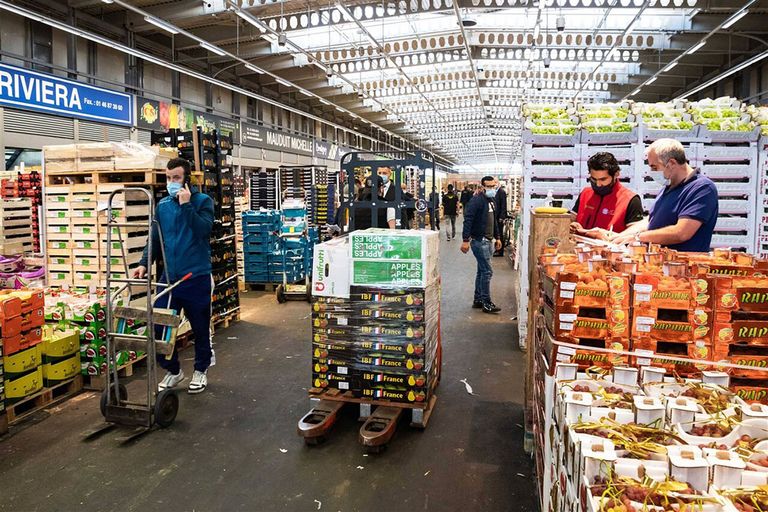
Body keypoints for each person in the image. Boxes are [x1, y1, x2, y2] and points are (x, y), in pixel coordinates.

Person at [135, 158, 215, 394]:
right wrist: (143, 263)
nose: (171, 182)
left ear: (187, 179)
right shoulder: (163, 206)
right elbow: (155, 238)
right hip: (168, 279)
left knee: (200, 327)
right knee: (160, 327)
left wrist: (187, 205)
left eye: (176, 178)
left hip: (196, 277)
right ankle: (173, 371)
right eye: (168, 178)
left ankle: (200, 370)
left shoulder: (202, 201)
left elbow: (203, 230)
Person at [612, 139, 718, 251]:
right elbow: (650, 221)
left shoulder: (702, 188)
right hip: (660, 263)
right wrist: (619, 237)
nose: (651, 171)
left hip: (685, 265)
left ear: (671, 163)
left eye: (654, 167)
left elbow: (681, 232)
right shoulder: (669, 187)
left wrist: (638, 237)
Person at [570, 152, 644, 241]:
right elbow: (571, 220)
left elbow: (635, 237)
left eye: (603, 179)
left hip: (612, 252)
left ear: (616, 174)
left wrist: (608, 237)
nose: (598, 184)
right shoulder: (585, 193)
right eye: (593, 179)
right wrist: (572, 226)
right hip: (580, 251)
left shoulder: (631, 199)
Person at [461, 176, 502, 314]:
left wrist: (498, 237)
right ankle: (486, 302)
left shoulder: (491, 201)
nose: (491, 189)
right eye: (488, 186)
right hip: (479, 241)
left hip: (489, 240)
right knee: (487, 271)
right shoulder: (476, 201)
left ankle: (478, 299)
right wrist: (465, 240)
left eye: (493, 186)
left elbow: (494, 221)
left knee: (481, 271)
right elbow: (468, 220)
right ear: (482, 187)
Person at [493, 182, 508, 257]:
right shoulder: (495, 192)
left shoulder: (501, 192)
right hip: (495, 216)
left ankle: (500, 251)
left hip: (499, 217)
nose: (494, 184)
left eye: (495, 183)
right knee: (496, 233)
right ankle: (497, 248)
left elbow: (503, 205)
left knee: (499, 234)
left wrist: (502, 217)